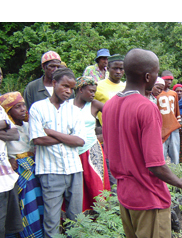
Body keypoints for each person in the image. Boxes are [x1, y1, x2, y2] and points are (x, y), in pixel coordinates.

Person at [102, 48, 182, 238]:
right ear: (148, 76)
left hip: (125, 196)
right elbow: (155, 164)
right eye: (157, 72)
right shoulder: (146, 107)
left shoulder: (109, 106)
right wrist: (180, 182)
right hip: (148, 199)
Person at [29, 68, 86, 237]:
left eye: (72, 88)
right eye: (65, 86)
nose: (68, 91)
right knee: (51, 220)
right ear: (54, 83)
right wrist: (68, 137)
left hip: (74, 169)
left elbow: (80, 141)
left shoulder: (75, 111)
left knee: (76, 218)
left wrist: (51, 132)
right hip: (50, 171)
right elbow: (38, 140)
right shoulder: (37, 108)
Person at [0, 92, 44, 238]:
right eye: (17, 107)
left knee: (37, 204)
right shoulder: (6, 128)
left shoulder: (29, 125)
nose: (23, 109)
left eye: (23, 105)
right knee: (25, 206)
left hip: (34, 169)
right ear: (7, 111)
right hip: (19, 172)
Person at [70, 76, 111, 213]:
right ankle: (80, 218)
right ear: (80, 90)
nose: (93, 94)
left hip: (92, 149)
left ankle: (101, 217)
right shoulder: (67, 105)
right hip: (73, 150)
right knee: (78, 185)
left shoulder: (93, 105)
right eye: (91, 91)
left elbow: (114, 114)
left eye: (95, 91)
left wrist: (104, 135)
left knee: (95, 183)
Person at [0, 105, 23, 237]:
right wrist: (4, 125)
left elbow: (15, 134)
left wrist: (6, 123)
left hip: (6, 179)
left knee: (8, 228)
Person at [156, 70, 181, 164]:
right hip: (161, 126)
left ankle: (176, 173)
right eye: (167, 80)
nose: (169, 82)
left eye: (171, 80)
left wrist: (178, 122)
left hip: (173, 125)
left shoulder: (174, 94)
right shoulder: (157, 94)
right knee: (161, 152)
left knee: (175, 151)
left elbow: (176, 110)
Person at [94, 54, 125, 125]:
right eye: (115, 68)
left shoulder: (126, 87)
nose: (118, 72)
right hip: (104, 130)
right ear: (108, 69)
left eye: (121, 69)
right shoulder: (98, 86)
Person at [173, 84, 182, 163]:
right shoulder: (171, 102)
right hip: (175, 128)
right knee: (176, 148)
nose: (179, 93)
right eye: (177, 91)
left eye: (180, 91)